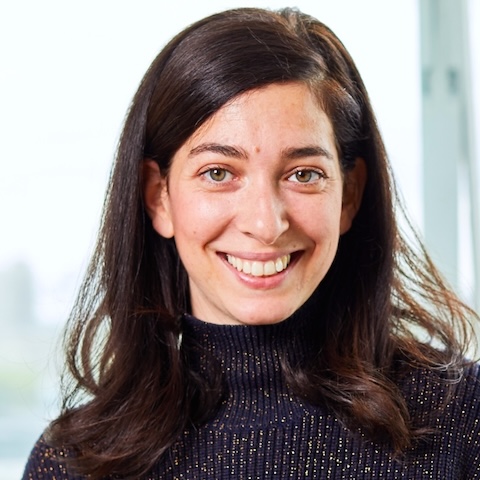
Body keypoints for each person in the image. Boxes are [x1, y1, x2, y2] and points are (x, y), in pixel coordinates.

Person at [23, 7, 480, 480]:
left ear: (350, 195)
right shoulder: (73, 462)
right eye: (218, 173)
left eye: (304, 174)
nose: (266, 223)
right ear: (158, 197)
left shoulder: (465, 418)